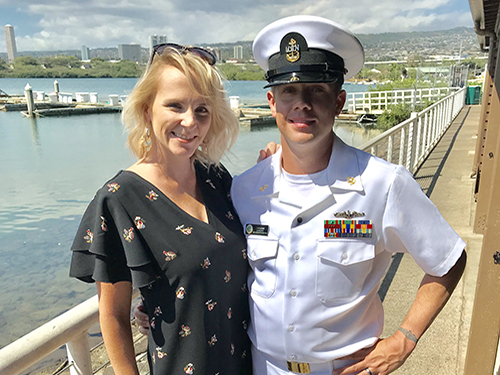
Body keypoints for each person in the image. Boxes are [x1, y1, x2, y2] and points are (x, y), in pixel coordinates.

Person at [135, 16, 467, 375]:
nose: (302, 104)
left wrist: (404, 341)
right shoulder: (244, 189)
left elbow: (448, 259)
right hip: (262, 367)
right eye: (289, 91)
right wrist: (158, 301)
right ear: (271, 102)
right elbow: (218, 262)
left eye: (317, 90)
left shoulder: (382, 185)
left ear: (339, 101)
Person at [69, 44, 252, 375]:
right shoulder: (118, 199)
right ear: (146, 110)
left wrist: (276, 169)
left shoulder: (215, 178)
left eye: (202, 110)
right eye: (175, 106)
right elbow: (111, 315)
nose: (189, 121)